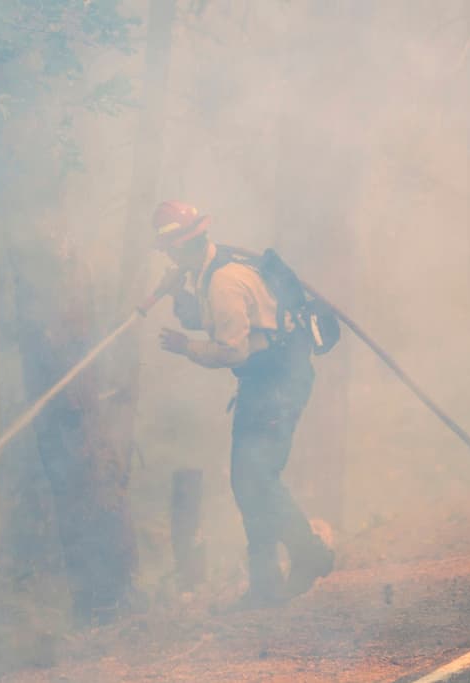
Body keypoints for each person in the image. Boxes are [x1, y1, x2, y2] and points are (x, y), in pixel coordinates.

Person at [152, 200, 334, 610]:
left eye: (168, 250)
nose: (167, 256)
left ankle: (308, 555)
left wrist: (187, 348)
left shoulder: (224, 281)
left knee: (257, 478)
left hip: (276, 383)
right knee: (248, 481)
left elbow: (231, 350)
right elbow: (227, 320)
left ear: (181, 248)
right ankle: (266, 584)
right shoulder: (212, 275)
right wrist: (185, 307)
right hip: (265, 382)